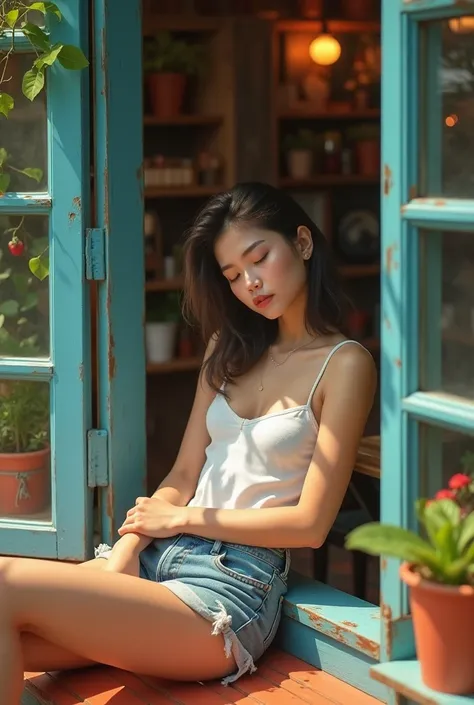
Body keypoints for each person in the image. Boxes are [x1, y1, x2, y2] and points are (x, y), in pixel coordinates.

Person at [0, 182, 376, 704]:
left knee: (5, 582)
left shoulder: (345, 364)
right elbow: (182, 475)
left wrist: (180, 520)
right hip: (159, 559)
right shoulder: (229, 348)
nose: (250, 283)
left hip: (231, 590)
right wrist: (127, 549)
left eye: (259, 258)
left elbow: (310, 525)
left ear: (303, 243)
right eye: (232, 275)